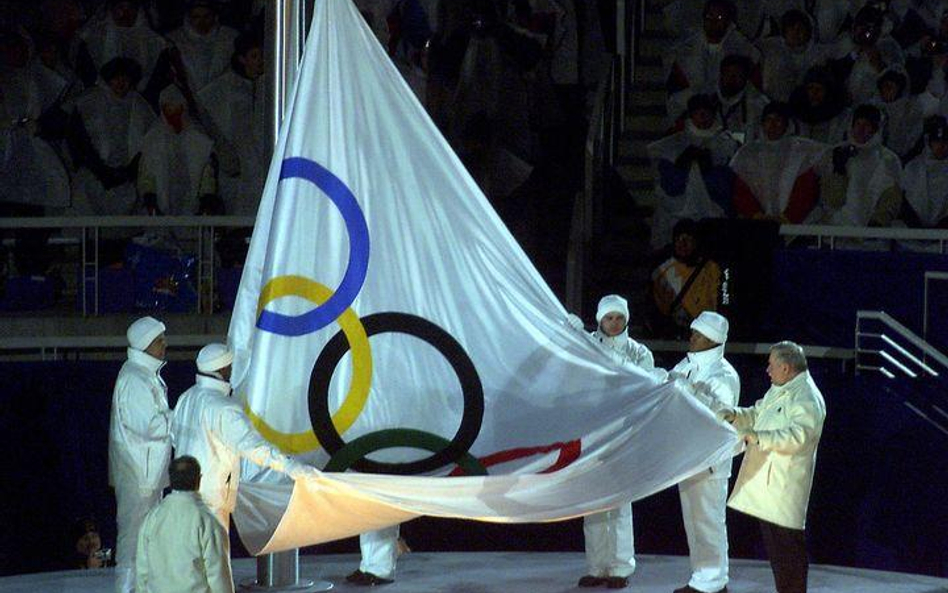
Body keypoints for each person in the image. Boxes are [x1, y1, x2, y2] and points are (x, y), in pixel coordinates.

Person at [171, 343, 319, 529]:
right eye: (230, 365)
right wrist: (292, 467)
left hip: (184, 496)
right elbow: (253, 447)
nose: (232, 369)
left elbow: (175, 437)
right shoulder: (224, 408)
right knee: (214, 556)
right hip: (211, 500)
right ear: (223, 368)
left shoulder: (186, 398)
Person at [721, 341, 826, 593]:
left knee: (789, 555)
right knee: (779, 557)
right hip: (770, 490)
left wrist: (759, 437)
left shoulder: (807, 397)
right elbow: (758, 413)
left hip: (784, 489)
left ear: (786, 368)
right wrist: (734, 415)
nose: (767, 370)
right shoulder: (781, 388)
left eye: (771, 366)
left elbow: (798, 436)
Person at [568, 294, 654, 589]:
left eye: (619, 317)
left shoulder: (639, 352)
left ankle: (620, 567)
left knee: (618, 504)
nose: (614, 323)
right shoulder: (587, 344)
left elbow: (640, 385)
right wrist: (569, 336)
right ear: (600, 319)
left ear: (627, 319)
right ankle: (596, 566)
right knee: (593, 504)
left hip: (623, 434)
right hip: (592, 434)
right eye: (609, 318)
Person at [667, 312, 740, 593]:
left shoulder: (724, 374)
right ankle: (702, 578)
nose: (692, 337)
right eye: (693, 332)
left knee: (709, 522)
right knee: (695, 523)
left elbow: (719, 414)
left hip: (710, 461)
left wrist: (688, 391)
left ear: (712, 340)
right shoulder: (687, 365)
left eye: (698, 334)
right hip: (688, 457)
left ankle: (714, 581)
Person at [108, 316, 172, 593]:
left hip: (148, 472)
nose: (164, 344)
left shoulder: (143, 374)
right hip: (138, 473)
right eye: (159, 340)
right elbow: (149, 426)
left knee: (147, 538)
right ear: (145, 344)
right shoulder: (134, 379)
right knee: (132, 538)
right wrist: (180, 416)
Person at [648, 94, 740, 250]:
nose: (703, 117)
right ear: (691, 114)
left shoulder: (728, 145)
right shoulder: (672, 143)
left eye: (707, 112)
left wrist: (709, 170)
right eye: (698, 112)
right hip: (677, 218)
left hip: (714, 216)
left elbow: (730, 184)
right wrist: (683, 166)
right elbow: (667, 185)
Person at [66, 56, 155, 216]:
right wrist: (101, 172)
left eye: (125, 77)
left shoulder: (140, 106)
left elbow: (148, 143)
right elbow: (78, 141)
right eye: (116, 77)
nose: (121, 82)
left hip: (127, 182)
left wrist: (129, 172)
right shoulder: (88, 101)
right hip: (92, 180)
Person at [135, 456, 234, 593]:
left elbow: (142, 571)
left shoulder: (152, 518)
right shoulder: (207, 521)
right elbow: (218, 575)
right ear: (198, 480)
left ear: (170, 480)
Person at [197, 32, 266, 216]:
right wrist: (224, 152)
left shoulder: (271, 85)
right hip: (236, 168)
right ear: (242, 59)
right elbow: (208, 119)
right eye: (254, 56)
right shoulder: (226, 87)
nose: (260, 61)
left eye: (262, 55)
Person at [730, 101, 825, 223]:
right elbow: (741, 190)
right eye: (768, 120)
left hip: (796, 226)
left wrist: (788, 218)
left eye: (778, 120)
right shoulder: (748, 153)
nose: (772, 125)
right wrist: (756, 215)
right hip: (755, 225)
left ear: (787, 124)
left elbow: (806, 190)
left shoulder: (802, 151)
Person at [666, 0, 760, 122]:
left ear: (728, 20)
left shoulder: (746, 51)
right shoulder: (684, 51)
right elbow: (675, 94)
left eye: (719, 17)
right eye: (709, 16)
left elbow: (753, 90)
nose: (713, 22)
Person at [816, 104, 903, 226]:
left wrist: (879, 222)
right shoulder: (834, 153)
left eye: (867, 125)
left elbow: (892, 197)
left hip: (871, 239)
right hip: (834, 234)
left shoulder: (889, 159)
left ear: (876, 129)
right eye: (858, 124)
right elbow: (829, 199)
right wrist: (838, 170)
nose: (861, 129)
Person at [138, 84, 217, 215]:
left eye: (177, 111)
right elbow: (147, 175)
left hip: (193, 211)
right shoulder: (153, 139)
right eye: (168, 111)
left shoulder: (198, 138)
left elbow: (206, 175)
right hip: (161, 212)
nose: (173, 117)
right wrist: (150, 198)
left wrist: (207, 199)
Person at [651, 219, 722, 336]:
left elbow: (720, 300)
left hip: (708, 332)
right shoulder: (662, 271)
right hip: (677, 334)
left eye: (688, 239)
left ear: (696, 242)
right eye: (678, 239)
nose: (682, 244)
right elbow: (659, 309)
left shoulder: (711, 268)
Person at [757, 10, 828, 103]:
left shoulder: (817, 56)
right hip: (768, 103)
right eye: (792, 28)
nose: (796, 32)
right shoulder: (770, 46)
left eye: (800, 29)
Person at [167, 0, 238, 93]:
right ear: (189, 17)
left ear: (214, 16)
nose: (201, 22)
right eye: (196, 17)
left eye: (207, 16)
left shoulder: (231, 37)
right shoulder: (174, 40)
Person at [902, 115, 948, 227]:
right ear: (929, 142)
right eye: (937, 141)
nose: (941, 146)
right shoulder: (913, 167)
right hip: (912, 237)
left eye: (945, 142)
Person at [715, 53, 769, 140]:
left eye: (737, 74)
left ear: (745, 76)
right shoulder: (711, 101)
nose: (732, 78)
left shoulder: (759, 104)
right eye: (728, 73)